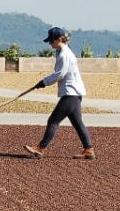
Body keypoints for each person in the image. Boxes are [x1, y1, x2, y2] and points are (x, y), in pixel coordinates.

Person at [24, 27, 95, 160]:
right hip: (74, 93)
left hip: (70, 93)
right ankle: (88, 149)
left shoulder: (64, 54)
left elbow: (60, 74)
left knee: (53, 121)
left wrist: (44, 82)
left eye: (52, 41)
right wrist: (43, 82)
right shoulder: (63, 51)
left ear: (59, 39)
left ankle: (40, 148)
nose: (50, 43)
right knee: (77, 122)